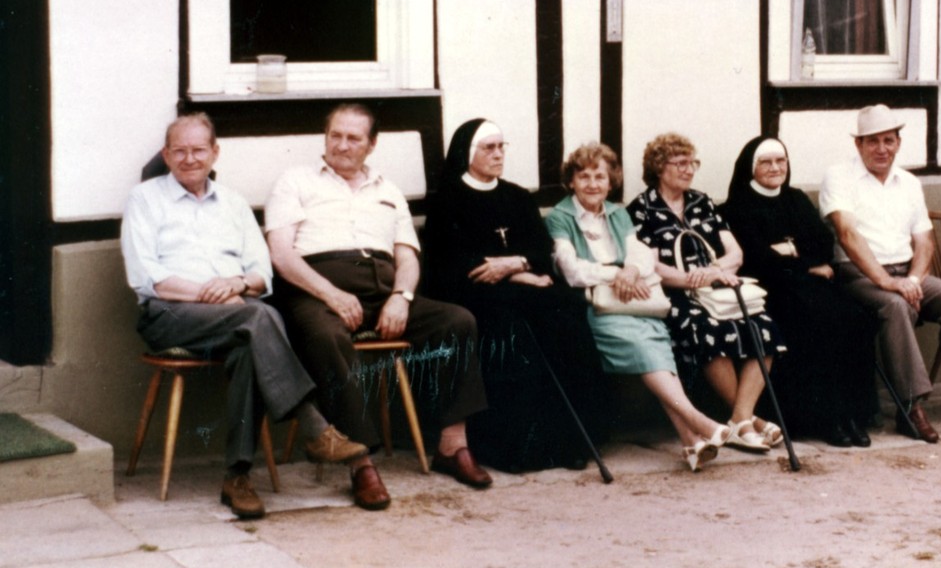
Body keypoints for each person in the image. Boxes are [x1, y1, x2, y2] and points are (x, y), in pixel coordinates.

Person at [121, 113, 368, 520]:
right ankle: (314, 428)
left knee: (250, 341)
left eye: (199, 150)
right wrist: (213, 295)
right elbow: (149, 278)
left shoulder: (234, 204)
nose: (189, 159)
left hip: (236, 314)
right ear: (166, 155)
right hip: (169, 313)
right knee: (258, 318)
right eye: (179, 151)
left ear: (215, 153)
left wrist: (236, 285)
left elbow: (261, 274)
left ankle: (237, 478)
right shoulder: (145, 199)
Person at [265, 104, 491, 511]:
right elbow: (281, 256)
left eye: (354, 138)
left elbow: (406, 257)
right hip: (316, 290)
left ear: (371, 145)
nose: (342, 145)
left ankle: (452, 445)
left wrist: (401, 298)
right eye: (335, 135)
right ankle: (360, 462)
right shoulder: (294, 181)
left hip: (382, 290)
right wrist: (330, 294)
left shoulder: (388, 191)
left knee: (457, 321)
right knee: (326, 335)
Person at [424, 119, 609, 473]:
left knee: (568, 313)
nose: (497, 154)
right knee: (512, 329)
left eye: (500, 146)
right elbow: (460, 266)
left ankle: (573, 439)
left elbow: (540, 248)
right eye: (488, 148)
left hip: (525, 288)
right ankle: (515, 448)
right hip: (477, 295)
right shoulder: (448, 200)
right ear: (467, 154)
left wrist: (516, 265)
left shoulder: (518, 197)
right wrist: (520, 274)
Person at [545, 142, 729, 471]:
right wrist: (617, 273)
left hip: (632, 297)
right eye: (583, 176)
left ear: (611, 180)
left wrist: (630, 270)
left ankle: (691, 443)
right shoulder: (560, 217)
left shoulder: (617, 212)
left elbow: (641, 254)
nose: (592, 184)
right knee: (644, 347)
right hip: (597, 305)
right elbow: (570, 270)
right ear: (571, 181)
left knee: (654, 343)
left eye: (599, 176)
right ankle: (697, 420)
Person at [820, 105, 941, 443]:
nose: (881, 149)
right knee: (896, 306)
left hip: (905, 271)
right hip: (860, 276)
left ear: (898, 143)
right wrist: (887, 282)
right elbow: (847, 234)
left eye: (888, 140)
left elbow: (924, 240)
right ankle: (910, 407)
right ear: (859, 145)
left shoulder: (909, 182)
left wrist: (912, 280)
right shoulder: (838, 176)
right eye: (872, 142)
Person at [627, 133, 785, 453]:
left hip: (717, 288)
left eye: (692, 163)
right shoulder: (642, 209)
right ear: (659, 167)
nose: (689, 170)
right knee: (706, 329)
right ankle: (749, 421)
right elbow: (651, 266)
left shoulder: (703, 201)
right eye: (680, 163)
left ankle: (741, 417)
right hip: (676, 294)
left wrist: (714, 272)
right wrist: (691, 280)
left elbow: (735, 253)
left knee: (765, 325)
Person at [721, 136, 878, 448]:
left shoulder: (797, 199)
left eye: (781, 161)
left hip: (809, 284)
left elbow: (822, 244)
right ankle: (823, 418)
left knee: (857, 317)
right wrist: (803, 263)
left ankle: (853, 415)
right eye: (765, 162)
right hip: (770, 289)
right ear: (751, 168)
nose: (775, 168)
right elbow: (755, 258)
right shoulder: (737, 206)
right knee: (814, 322)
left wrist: (790, 252)